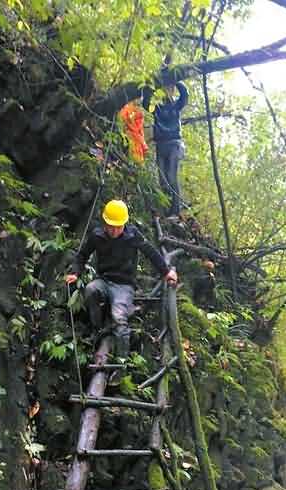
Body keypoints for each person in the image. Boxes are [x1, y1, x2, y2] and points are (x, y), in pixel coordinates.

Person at [65, 199, 178, 379]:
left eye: (118, 227)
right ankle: (98, 328)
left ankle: (121, 362)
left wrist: (166, 272)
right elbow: (82, 255)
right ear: (105, 223)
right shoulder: (97, 236)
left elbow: (150, 252)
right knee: (91, 290)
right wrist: (75, 273)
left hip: (124, 285)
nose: (114, 230)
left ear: (124, 224)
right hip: (103, 280)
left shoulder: (132, 236)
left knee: (119, 316)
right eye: (111, 226)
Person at [143, 81, 188, 219]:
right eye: (165, 90)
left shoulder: (177, 105)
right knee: (162, 179)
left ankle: (175, 211)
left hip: (175, 144)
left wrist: (175, 79)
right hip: (161, 146)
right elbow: (145, 103)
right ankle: (166, 210)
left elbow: (185, 95)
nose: (167, 93)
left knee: (171, 176)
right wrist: (155, 84)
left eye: (170, 90)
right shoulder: (157, 108)